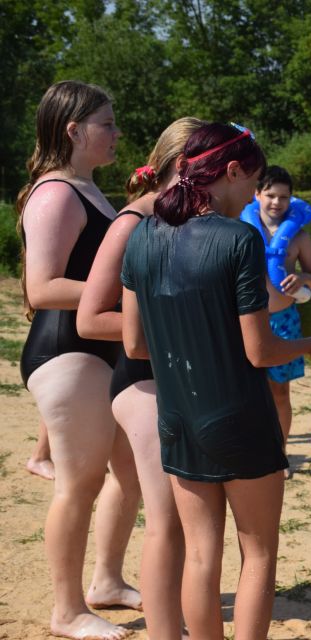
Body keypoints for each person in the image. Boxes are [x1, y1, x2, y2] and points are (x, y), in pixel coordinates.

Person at [120, 122, 311, 639]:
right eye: (253, 182)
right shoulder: (238, 238)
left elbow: (135, 344)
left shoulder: (141, 235)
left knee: (201, 556)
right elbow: (261, 349)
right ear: (230, 172)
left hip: (177, 418)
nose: (253, 194)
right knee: (258, 553)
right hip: (240, 418)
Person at [17, 80, 141, 640]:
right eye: (108, 124)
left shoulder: (86, 188)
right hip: (66, 352)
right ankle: (67, 611)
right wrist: (125, 295)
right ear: (74, 130)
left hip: (98, 350)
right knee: (80, 483)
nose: (117, 134)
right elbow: (39, 289)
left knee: (130, 473)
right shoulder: (56, 194)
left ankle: (107, 583)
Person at [77, 116, 205, 640]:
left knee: (162, 506)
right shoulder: (134, 222)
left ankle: (145, 602)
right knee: (167, 515)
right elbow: (91, 317)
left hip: (173, 380)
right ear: (182, 167)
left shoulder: (188, 220)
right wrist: (178, 336)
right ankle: (167, 627)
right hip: (138, 379)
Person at [251, 166, 311, 467]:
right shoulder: (241, 229)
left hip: (283, 320)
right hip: (248, 320)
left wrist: (302, 278)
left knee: (280, 392)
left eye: (284, 197)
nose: (277, 203)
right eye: (270, 195)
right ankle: (251, 450)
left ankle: (279, 456)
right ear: (256, 194)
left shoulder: (299, 237)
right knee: (250, 390)